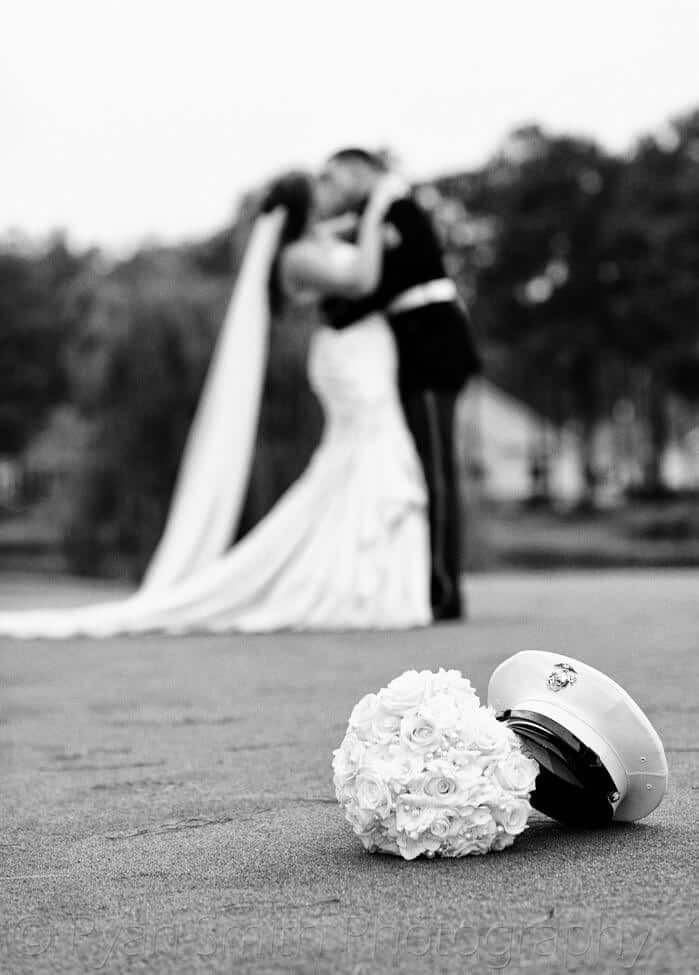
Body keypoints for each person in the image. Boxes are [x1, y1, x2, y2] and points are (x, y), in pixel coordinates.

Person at [0, 171, 431, 637]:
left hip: (365, 357)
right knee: (362, 457)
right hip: (350, 364)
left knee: (365, 461)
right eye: (319, 192)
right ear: (303, 208)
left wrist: (364, 217)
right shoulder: (298, 255)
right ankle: (354, 585)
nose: (328, 197)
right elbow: (363, 278)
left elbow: (341, 233)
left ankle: (374, 581)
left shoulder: (311, 240)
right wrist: (381, 207)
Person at [317, 149, 481, 621]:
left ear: (363, 171)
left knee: (436, 472)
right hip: (412, 357)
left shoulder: (399, 208)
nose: (338, 185)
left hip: (433, 352)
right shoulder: (374, 215)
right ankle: (431, 580)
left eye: (341, 175)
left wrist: (341, 315)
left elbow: (389, 280)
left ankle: (444, 586)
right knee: (426, 469)